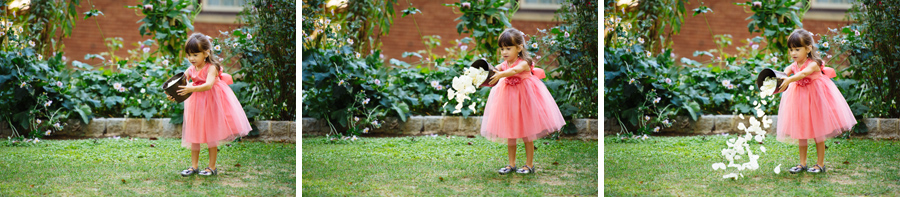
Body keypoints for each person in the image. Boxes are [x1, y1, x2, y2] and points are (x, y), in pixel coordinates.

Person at [481, 28, 566, 174]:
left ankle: (529, 164)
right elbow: (495, 69)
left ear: (519, 47)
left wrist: (501, 74)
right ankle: (511, 164)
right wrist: (483, 73)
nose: (504, 52)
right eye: (502, 49)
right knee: (510, 133)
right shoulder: (504, 64)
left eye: (508, 48)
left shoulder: (524, 62)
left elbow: (514, 71)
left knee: (527, 133)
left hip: (525, 100)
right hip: (509, 101)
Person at [169, 33, 252, 176]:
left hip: (212, 102)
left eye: (195, 55)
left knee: (210, 135)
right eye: (189, 55)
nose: (191, 59)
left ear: (206, 53)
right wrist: (173, 94)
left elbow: (208, 85)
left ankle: (211, 167)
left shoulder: (212, 67)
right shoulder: (190, 69)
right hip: (196, 104)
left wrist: (190, 88)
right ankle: (194, 166)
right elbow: (179, 83)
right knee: (194, 134)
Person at [776, 29, 857, 174]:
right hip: (800, 100)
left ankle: (820, 164)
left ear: (808, 48)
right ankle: (802, 163)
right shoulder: (795, 64)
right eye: (790, 50)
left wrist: (789, 79)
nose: (793, 53)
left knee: (817, 132)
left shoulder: (813, 63)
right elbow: (789, 69)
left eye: (797, 49)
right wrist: (782, 75)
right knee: (801, 131)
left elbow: (803, 73)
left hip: (816, 99)